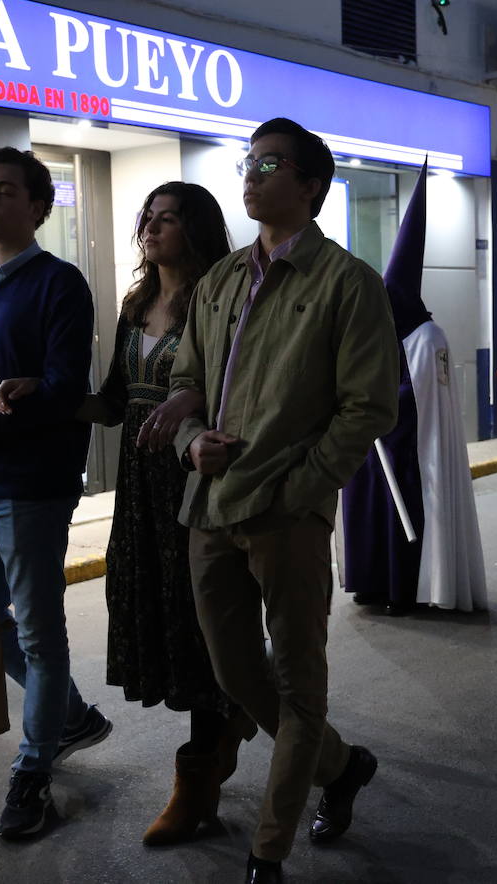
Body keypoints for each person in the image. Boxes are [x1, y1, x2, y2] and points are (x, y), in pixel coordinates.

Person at [168, 117, 398, 884]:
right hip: (210, 508)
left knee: (300, 684)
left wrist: (303, 490)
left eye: (270, 164)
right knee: (237, 674)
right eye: (248, 161)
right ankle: (342, 767)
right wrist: (189, 440)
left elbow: (369, 406)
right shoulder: (220, 280)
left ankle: (267, 853)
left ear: (311, 186)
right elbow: (184, 383)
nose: (252, 174)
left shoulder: (346, 283)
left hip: (288, 518)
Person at [57, 181, 253, 846]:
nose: (151, 227)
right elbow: (115, 401)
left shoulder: (218, 301)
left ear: (195, 229)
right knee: (164, 618)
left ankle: (198, 781)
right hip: (142, 490)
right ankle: (223, 731)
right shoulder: (137, 303)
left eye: (167, 219)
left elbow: (234, 393)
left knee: (202, 622)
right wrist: (50, 398)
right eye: (148, 216)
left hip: (194, 479)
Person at [0, 146, 110, 840]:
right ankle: (69, 715)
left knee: (39, 631)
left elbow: (68, 387)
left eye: (6, 191)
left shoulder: (60, 284)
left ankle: (34, 767)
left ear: (39, 208)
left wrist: (4, 420)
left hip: (32, 487)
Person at [342, 165, 488, 615]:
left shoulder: (427, 336)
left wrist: (380, 408)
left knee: (403, 506)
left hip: (409, 449)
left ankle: (403, 587)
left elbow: (423, 398)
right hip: (373, 441)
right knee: (363, 500)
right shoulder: (379, 329)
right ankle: (369, 581)